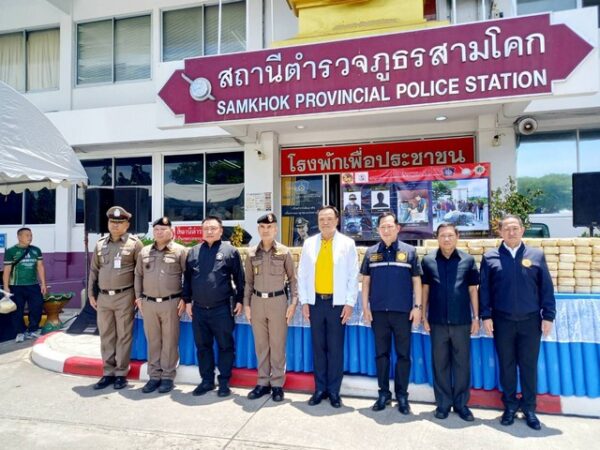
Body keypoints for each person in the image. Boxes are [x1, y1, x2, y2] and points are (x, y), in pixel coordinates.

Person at [480, 215, 556, 431]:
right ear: (500, 232)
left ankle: (530, 408)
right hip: (502, 321)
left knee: (529, 366)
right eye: (506, 228)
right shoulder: (490, 257)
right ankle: (510, 406)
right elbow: (484, 289)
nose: (511, 232)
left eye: (515, 228)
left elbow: (546, 288)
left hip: (531, 321)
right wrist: (486, 316)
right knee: (507, 365)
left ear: (523, 230)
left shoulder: (536, 255)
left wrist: (548, 315)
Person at [360, 212, 422, 414]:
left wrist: (417, 307)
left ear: (397, 228)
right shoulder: (371, 252)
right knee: (382, 355)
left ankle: (402, 396)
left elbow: (416, 281)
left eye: (389, 226)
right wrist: (365, 307)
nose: (386, 230)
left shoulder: (410, 251)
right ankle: (384, 394)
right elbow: (366, 282)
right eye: (382, 227)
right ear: (378, 230)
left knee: (403, 355)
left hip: (403, 313)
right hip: (378, 313)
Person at [298, 205, 358, 408]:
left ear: (337, 220)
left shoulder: (347, 244)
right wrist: (304, 302)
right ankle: (319, 389)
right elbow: (302, 275)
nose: (325, 222)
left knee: (335, 348)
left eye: (329, 218)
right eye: (321, 218)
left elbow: (352, 275)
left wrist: (350, 303)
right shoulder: (309, 243)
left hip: (337, 304)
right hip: (315, 302)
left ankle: (334, 391)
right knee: (318, 347)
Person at [421, 223, 479, 421]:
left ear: (457, 236)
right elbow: (425, 290)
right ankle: (443, 404)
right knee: (440, 364)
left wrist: (476, 317)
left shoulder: (468, 260)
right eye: (443, 236)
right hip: (437, 321)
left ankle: (462, 405)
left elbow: (473, 290)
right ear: (437, 238)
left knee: (462, 364)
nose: (446, 239)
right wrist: (423, 316)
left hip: (462, 321)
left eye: (450, 235)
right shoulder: (428, 261)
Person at [183, 216, 244, 397]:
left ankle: (224, 382)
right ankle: (207, 381)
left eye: (213, 228)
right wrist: (187, 301)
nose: (209, 231)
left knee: (226, 346)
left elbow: (240, 279)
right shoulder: (193, 252)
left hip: (222, 309)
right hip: (199, 309)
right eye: (206, 228)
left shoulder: (230, 251)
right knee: (203, 346)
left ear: (220, 230)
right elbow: (187, 280)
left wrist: (240, 300)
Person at [243, 213, 298, 402]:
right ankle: (262, 383)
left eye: (270, 227)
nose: (266, 231)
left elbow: (292, 279)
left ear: (275, 229)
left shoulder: (284, 252)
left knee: (277, 344)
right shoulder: (251, 253)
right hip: (258, 302)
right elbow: (248, 282)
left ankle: (276, 384)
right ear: (258, 230)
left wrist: (293, 303)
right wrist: (247, 305)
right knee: (261, 345)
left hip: (278, 302)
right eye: (262, 227)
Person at [88, 206, 143, 390]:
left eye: (120, 223)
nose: (116, 226)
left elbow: (139, 273)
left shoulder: (135, 244)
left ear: (127, 225)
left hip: (125, 295)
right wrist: (91, 294)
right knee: (106, 335)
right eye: (112, 222)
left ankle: (121, 373)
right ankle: (107, 373)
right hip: (103, 297)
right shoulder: (100, 244)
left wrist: (138, 296)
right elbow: (94, 271)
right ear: (108, 223)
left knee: (124, 335)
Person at [134, 217, 188, 394]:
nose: (159, 232)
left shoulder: (180, 251)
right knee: (153, 341)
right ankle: (154, 376)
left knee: (170, 340)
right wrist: (138, 298)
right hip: (149, 303)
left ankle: (167, 377)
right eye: (156, 229)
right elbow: (138, 276)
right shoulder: (145, 252)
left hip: (171, 303)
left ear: (171, 231)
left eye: (163, 229)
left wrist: (185, 299)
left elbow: (188, 277)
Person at [2, 228, 47, 342]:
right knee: (18, 310)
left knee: (37, 307)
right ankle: (20, 332)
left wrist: (43, 284)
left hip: (33, 285)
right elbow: (7, 270)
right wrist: (6, 286)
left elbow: (40, 267)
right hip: (16, 285)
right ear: (19, 237)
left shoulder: (36, 250)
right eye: (27, 235)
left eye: (31, 235)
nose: (30, 237)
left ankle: (33, 330)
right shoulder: (11, 251)